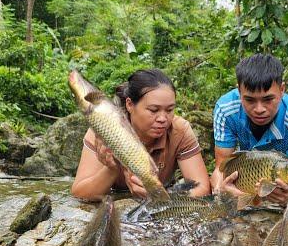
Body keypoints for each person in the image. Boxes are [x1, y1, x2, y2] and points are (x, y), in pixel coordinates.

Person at [71, 69, 211, 201]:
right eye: (153, 110)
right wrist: (111, 169)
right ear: (130, 105)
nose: (163, 118)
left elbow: (202, 188)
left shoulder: (179, 131)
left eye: (169, 110)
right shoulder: (104, 129)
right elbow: (80, 193)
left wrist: (161, 196)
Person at [210, 53, 288, 206]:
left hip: (283, 162)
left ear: (282, 90)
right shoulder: (226, 109)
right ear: (239, 92)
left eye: (268, 99)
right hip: (249, 162)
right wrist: (224, 189)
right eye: (250, 100)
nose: (259, 109)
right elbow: (221, 168)